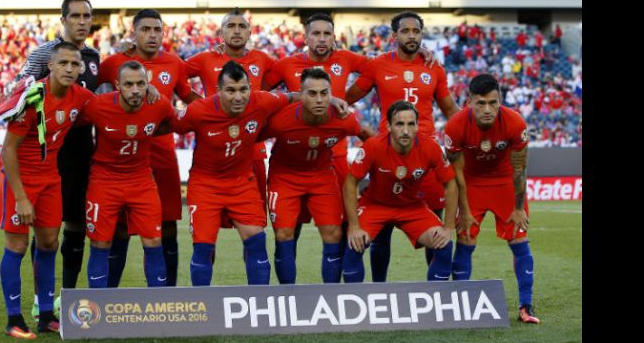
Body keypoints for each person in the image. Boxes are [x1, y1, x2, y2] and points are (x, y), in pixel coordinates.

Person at [345, 11, 459, 281]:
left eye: (416, 31)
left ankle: (436, 291)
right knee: (380, 233)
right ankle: (379, 289)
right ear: (394, 36)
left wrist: (471, 132)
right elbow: (345, 100)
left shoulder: (434, 67)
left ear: (422, 35)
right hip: (388, 154)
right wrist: (364, 133)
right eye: (405, 31)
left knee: (438, 230)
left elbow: (450, 110)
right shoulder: (378, 65)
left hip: (427, 158)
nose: (411, 36)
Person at [163, 61, 298, 286]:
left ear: (250, 89)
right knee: (204, 247)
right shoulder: (199, 110)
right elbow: (169, 124)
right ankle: (202, 308)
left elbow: (294, 97)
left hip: (241, 182)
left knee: (256, 241)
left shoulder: (262, 101)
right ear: (219, 91)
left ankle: (259, 305)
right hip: (205, 184)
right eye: (231, 90)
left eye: (243, 89)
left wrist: (332, 99)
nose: (238, 97)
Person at [0, 42, 94, 338]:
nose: (69, 68)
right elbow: (8, 150)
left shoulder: (82, 97)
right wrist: (22, 197)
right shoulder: (32, 97)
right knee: (17, 246)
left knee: (50, 243)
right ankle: (14, 319)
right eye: (62, 63)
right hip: (19, 178)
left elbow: (112, 106)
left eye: (75, 64)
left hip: (51, 177)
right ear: (50, 66)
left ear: (81, 69)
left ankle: (46, 315)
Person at [97, 9, 201, 288]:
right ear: (133, 32)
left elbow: (189, 98)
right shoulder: (114, 62)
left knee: (167, 225)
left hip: (162, 153)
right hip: (122, 157)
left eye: (157, 30)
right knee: (118, 227)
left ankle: (166, 295)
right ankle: (109, 294)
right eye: (146, 30)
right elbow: (89, 91)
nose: (152, 35)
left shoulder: (174, 63)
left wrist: (219, 111)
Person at [14, 0, 101, 320]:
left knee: (77, 225)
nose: (82, 22)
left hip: (81, 152)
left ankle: (69, 294)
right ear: (62, 19)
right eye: (76, 16)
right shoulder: (41, 54)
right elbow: (16, 91)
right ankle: (42, 298)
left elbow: (96, 101)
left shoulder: (93, 56)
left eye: (87, 16)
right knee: (45, 231)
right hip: (46, 154)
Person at [443, 73, 540, 324]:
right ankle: (459, 304)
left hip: (506, 182)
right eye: (481, 103)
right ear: (469, 102)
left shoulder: (515, 123)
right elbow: (457, 175)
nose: (487, 109)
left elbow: (520, 168)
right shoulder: (454, 126)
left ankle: (526, 307)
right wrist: (463, 210)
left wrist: (519, 208)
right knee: (465, 239)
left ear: (501, 101)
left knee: (520, 240)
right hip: (471, 184)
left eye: (493, 103)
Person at [261, 68, 370, 284]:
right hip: (284, 177)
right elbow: (249, 136)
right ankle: (287, 295)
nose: (319, 99)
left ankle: (330, 294)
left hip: (321, 176)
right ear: (300, 94)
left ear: (331, 94)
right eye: (312, 93)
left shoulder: (342, 119)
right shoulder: (281, 120)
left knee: (333, 234)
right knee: (283, 235)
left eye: (324, 93)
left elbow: (369, 138)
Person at [341, 100, 458, 283]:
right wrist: (354, 227)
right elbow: (350, 183)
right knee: (354, 244)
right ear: (388, 126)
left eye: (411, 124)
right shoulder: (373, 146)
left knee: (444, 244)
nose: (405, 130)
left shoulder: (430, 147)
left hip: (411, 207)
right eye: (399, 124)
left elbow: (450, 184)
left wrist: (448, 226)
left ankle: (438, 301)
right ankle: (356, 305)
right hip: (375, 205)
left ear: (417, 125)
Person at [80, 61, 174, 288]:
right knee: (101, 243)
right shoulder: (98, 105)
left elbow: (176, 122)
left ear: (148, 84)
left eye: (140, 84)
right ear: (117, 85)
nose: (134, 90)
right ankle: (97, 307)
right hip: (104, 181)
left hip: (141, 180)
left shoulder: (158, 104)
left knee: (153, 240)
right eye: (129, 84)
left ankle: (158, 305)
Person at [185, 8, 277, 203]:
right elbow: (173, 73)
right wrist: (197, 104)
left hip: (253, 149)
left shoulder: (262, 59)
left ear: (249, 33)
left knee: (255, 217)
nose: (236, 31)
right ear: (221, 33)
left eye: (242, 26)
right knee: (210, 218)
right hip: (213, 150)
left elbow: (288, 77)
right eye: (231, 26)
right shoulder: (205, 59)